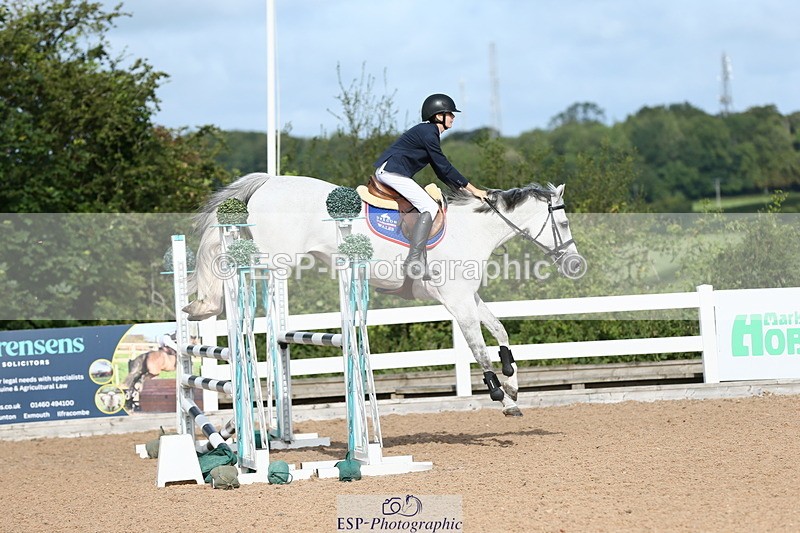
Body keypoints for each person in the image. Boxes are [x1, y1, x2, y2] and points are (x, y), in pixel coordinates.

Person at [373, 93, 487, 279]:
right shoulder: (429, 133)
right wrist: (474, 190)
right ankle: (414, 262)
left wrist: (463, 192)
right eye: (449, 113)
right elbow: (444, 166)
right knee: (429, 207)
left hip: (392, 172)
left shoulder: (428, 133)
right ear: (438, 116)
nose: (453, 117)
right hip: (392, 173)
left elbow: (440, 171)